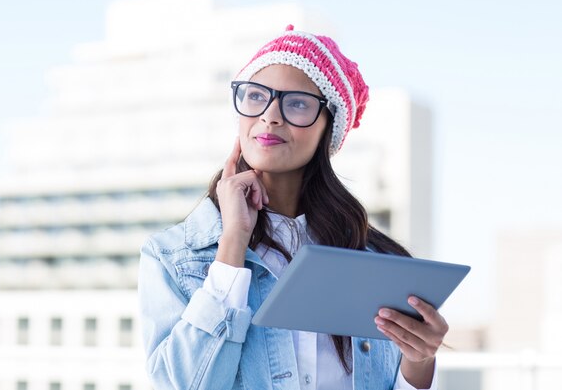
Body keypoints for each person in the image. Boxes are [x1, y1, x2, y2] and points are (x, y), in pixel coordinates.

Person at [138, 25, 448, 390]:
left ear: (327, 127)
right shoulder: (173, 256)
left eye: (297, 103)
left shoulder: (373, 260)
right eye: (256, 96)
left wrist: (420, 360)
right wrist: (233, 243)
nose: (270, 115)